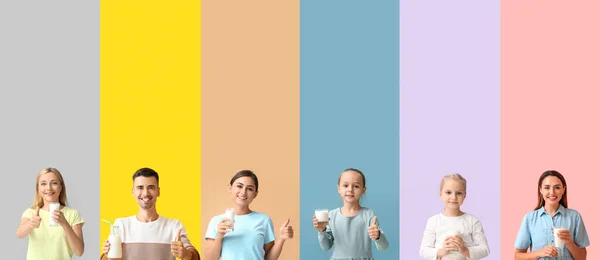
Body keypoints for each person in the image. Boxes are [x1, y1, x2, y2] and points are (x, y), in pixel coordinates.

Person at [101, 167, 200, 260]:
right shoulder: (120, 225)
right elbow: (106, 258)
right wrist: (107, 255)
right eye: (140, 187)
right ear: (133, 192)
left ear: (158, 191)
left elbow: (195, 256)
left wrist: (186, 254)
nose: (145, 193)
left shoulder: (174, 226)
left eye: (151, 187)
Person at [204, 170, 294, 260]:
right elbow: (210, 259)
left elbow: (269, 258)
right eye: (239, 186)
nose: (243, 192)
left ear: (255, 194)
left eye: (250, 189)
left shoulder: (264, 220)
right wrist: (219, 236)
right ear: (229, 188)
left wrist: (281, 239)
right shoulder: (216, 221)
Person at [313, 168, 389, 260]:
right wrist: (322, 230)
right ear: (339, 189)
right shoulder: (332, 215)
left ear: (363, 190)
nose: (350, 189)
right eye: (345, 185)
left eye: (356, 186)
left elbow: (384, 247)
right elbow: (326, 247)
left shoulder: (369, 214)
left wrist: (378, 236)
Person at [514, 170, 589, 260]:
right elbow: (517, 256)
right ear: (541, 190)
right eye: (547, 188)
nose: (552, 192)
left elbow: (582, 258)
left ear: (563, 190)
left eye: (557, 187)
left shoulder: (574, 217)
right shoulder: (530, 218)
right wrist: (539, 253)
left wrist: (569, 242)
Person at [16, 167, 85, 259]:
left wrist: (65, 224)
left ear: (61, 187)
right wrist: (30, 225)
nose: (48, 188)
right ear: (38, 188)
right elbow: (19, 234)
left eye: (54, 183)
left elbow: (79, 251)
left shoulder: (72, 214)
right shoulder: (31, 213)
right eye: (43, 184)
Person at [419, 173, 489, 260]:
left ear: (465, 195)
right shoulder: (434, 221)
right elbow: (423, 250)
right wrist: (442, 251)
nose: (453, 197)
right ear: (441, 194)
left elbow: (485, 249)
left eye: (459, 193)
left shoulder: (472, 221)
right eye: (448, 192)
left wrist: (465, 250)